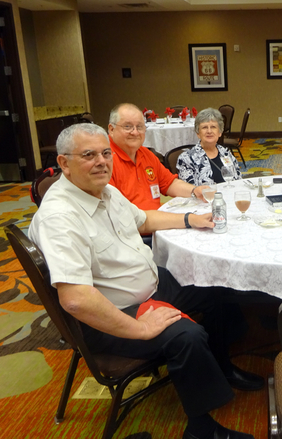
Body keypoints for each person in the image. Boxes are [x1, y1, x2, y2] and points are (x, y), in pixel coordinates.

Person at [28, 123, 258, 439]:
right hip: (113, 314)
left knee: (214, 285)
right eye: (89, 155)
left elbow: (144, 219)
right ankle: (202, 429)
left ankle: (221, 365)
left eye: (105, 153)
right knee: (186, 336)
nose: (101, 161)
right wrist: (142, 329)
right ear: (64, 163)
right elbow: (76, 299)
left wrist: (191, 220)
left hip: (148, 286)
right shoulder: (60, 217)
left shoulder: (104, 190)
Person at [108, 103, 208, 211]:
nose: (135, 132)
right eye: (127, 126)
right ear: (111, 129)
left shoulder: (145, 153)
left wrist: (194, 191)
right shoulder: (104, 161)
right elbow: (116, 214)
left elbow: (169, 183)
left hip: (156, 220)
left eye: (140, 127)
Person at [177, 108, 242, 185]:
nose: (209, 131)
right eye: (204, 127)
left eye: (213, 127)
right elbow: (190, 191)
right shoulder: (186, 159)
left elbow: (238, 180)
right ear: (198, 133)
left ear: (220, 132)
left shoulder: (225, 152)